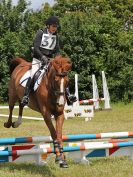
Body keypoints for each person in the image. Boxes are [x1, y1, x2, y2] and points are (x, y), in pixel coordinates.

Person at [21, 16, 76, 106]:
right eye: (53, 26)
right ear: (48, 26)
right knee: (33, 73)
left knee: (62, 74)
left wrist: (58, 59)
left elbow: (57, 50)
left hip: (50, 60)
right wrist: (42, 57)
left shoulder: (56, 35)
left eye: (56, 26)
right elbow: (36, 48)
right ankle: (26, 96)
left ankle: (69, 95)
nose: (55, 28)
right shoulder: (41, 33)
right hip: (38, 59)